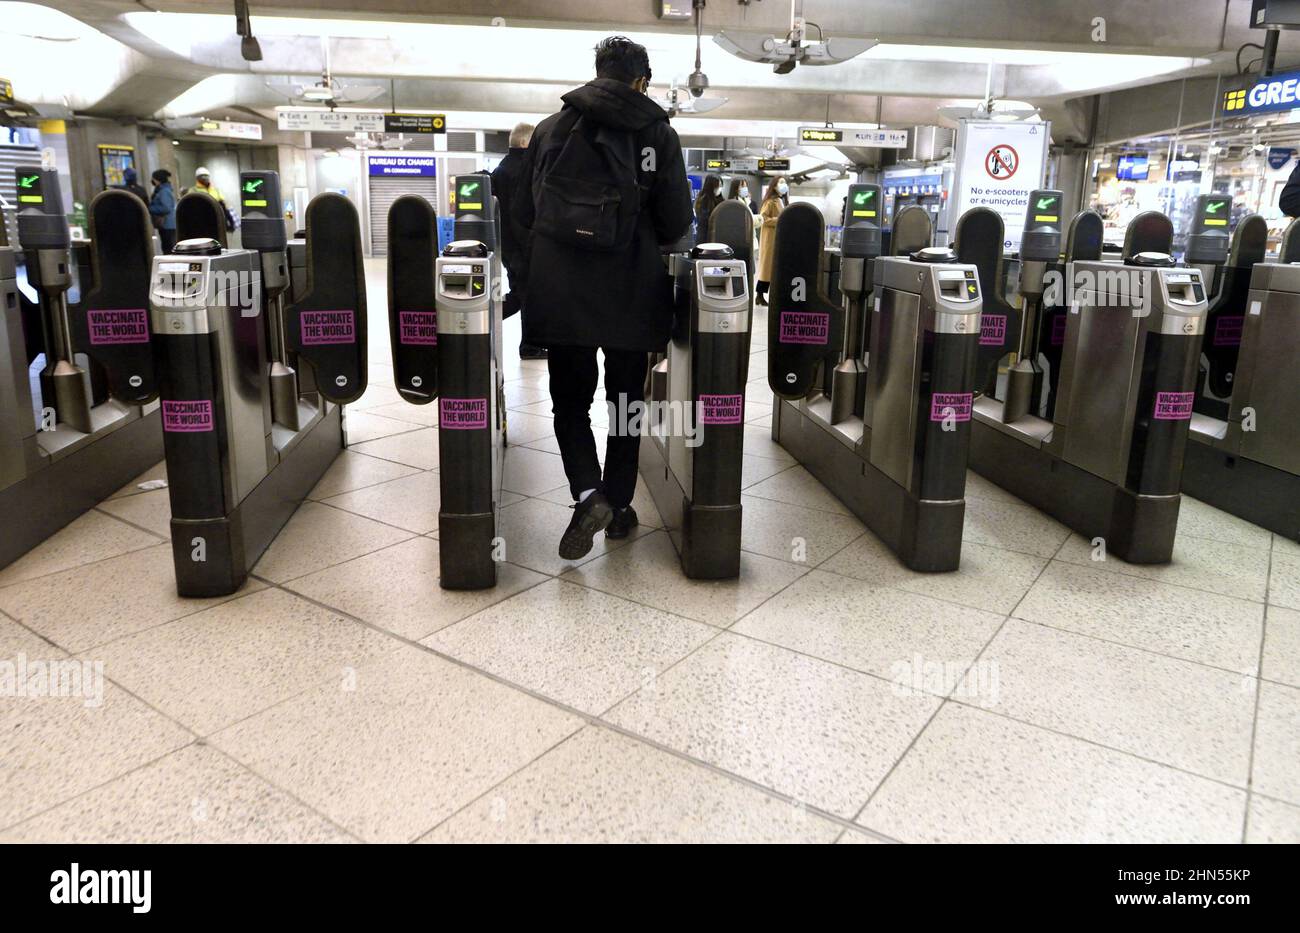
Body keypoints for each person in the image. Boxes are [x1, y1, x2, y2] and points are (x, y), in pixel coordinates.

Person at [516, 35, 691, 559]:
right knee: (625, 404)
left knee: (570, 401)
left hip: (561, 290)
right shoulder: (657, 132)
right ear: (641, 81)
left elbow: (525, 215)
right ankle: (616, 507)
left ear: (598, 72)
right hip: (630, 290)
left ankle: (588, 492)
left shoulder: (550, 129)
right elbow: (677, 224)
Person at [491, 122, 546, 360]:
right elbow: (521, 215)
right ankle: (484, 319)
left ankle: (529, 344)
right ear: (525, 143)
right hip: (521, 248)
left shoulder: (502, 168)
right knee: (524, 296)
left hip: (507, 245)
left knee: (524, 295)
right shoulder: (523, 170)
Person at [756, 175, 789, 306]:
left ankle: (771, 296)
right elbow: (763, 218)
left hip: (779, 238)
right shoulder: (770, 201)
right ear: (774, 186)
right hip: (770, 238)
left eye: (785, 182)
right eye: (781, 182)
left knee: (773, 269)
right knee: (766, 268)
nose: (784, 185)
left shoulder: (782, 201)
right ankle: (759, 295)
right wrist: (779, 219)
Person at [148, 169, 178, 252]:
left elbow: (166, 208)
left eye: (153, 178)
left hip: (167, 225)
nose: (152, 181)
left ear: (158, 180)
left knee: (168, 248)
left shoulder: (164, 191)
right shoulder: (163, 190)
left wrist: (150, 208)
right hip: (166, 225)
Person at [694, 174, 723, 240]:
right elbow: (705, 220)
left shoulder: (720, 200)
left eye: (721, 185)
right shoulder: (703, 200)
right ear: (710, 186)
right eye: (717, 186)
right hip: (705, 237)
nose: (720, 188)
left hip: (717, 237)